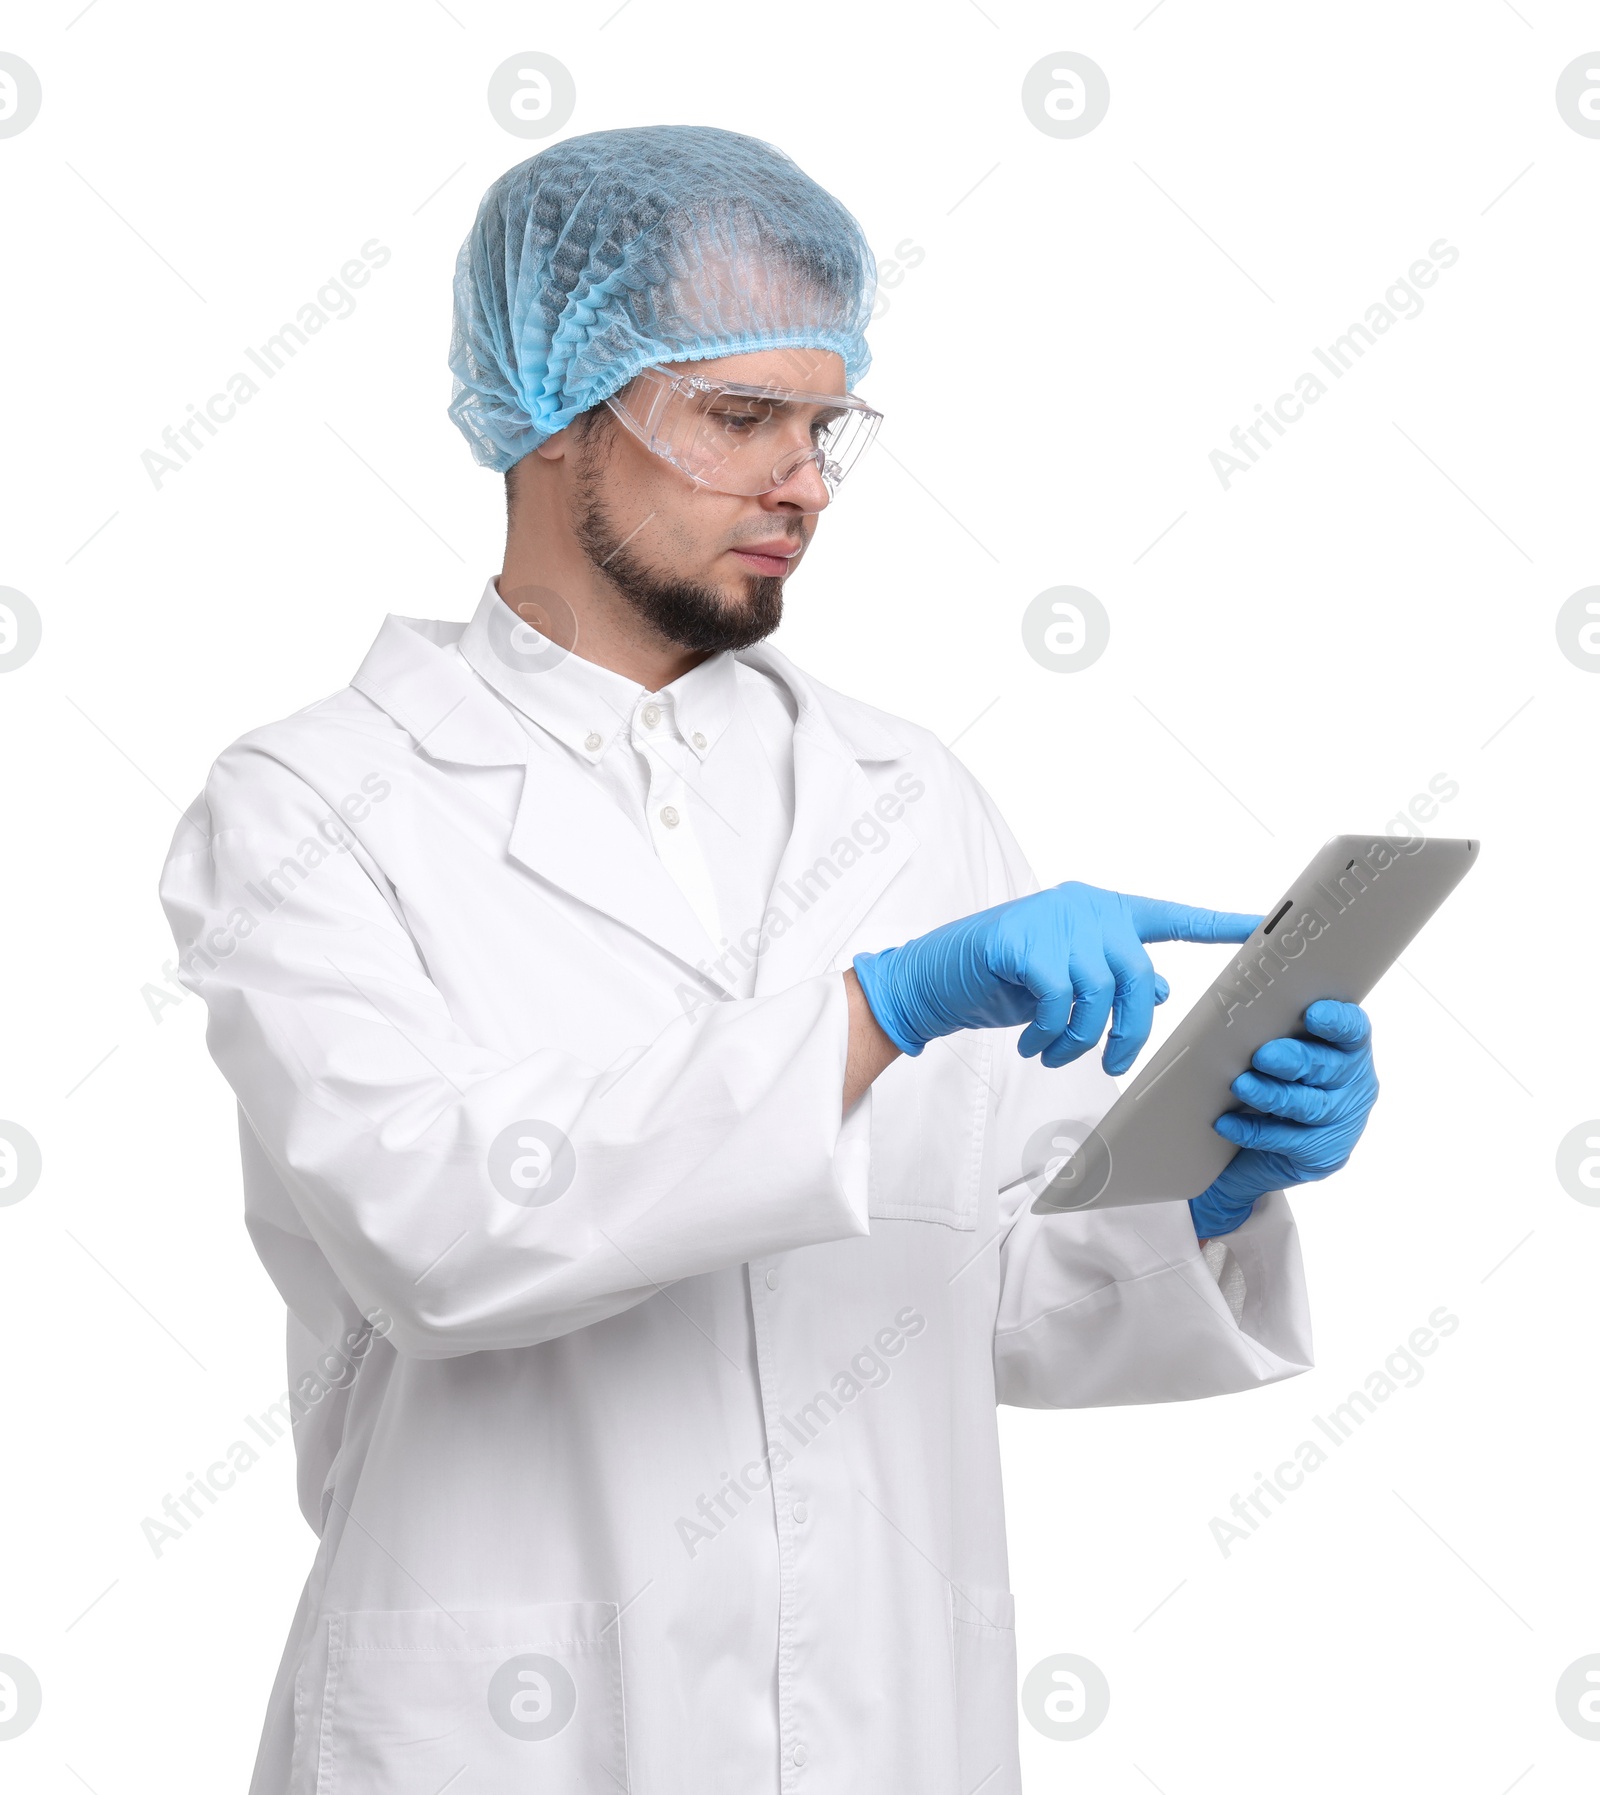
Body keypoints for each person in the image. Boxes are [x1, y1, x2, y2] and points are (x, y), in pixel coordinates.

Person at [159, 125, 1379, 1795]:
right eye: (740, 418)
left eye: (824, 427)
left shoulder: (905, 792)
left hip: (884, 1719)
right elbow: (434, 1230)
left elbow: (986, 1295)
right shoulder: (317, 801)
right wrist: (876, 1014)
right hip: (504, 1728)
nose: (803, 481)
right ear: (553, 413)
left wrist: (1211, 1188)